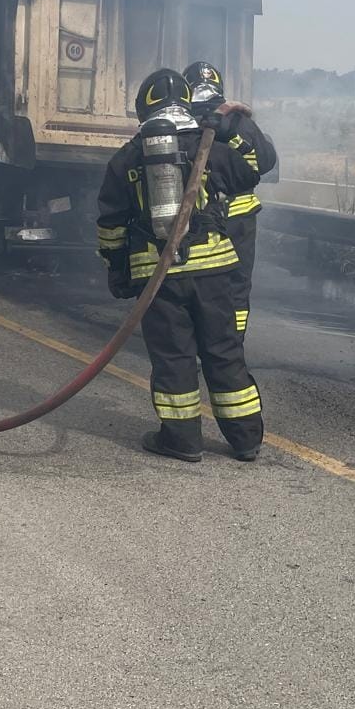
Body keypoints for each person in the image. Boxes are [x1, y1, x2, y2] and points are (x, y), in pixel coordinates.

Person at [96, 68, 264, 463]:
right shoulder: (208, 143)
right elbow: (251, 172)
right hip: (214, 270)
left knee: (174, 357)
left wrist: (117, 269)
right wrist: (228, 130)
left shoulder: (128, 157)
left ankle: (182, 439)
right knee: (223, 351)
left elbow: (110, 226)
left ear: (144, 107)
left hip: (160, 276)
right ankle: (245, 439)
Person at [183, 61, 279, 345]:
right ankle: (231, 344)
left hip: (198, 220)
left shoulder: (185, 121)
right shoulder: (240, 121)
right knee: (236, 287)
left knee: (197, 281)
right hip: (240, 222)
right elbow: (266, 162)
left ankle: (195, 341)